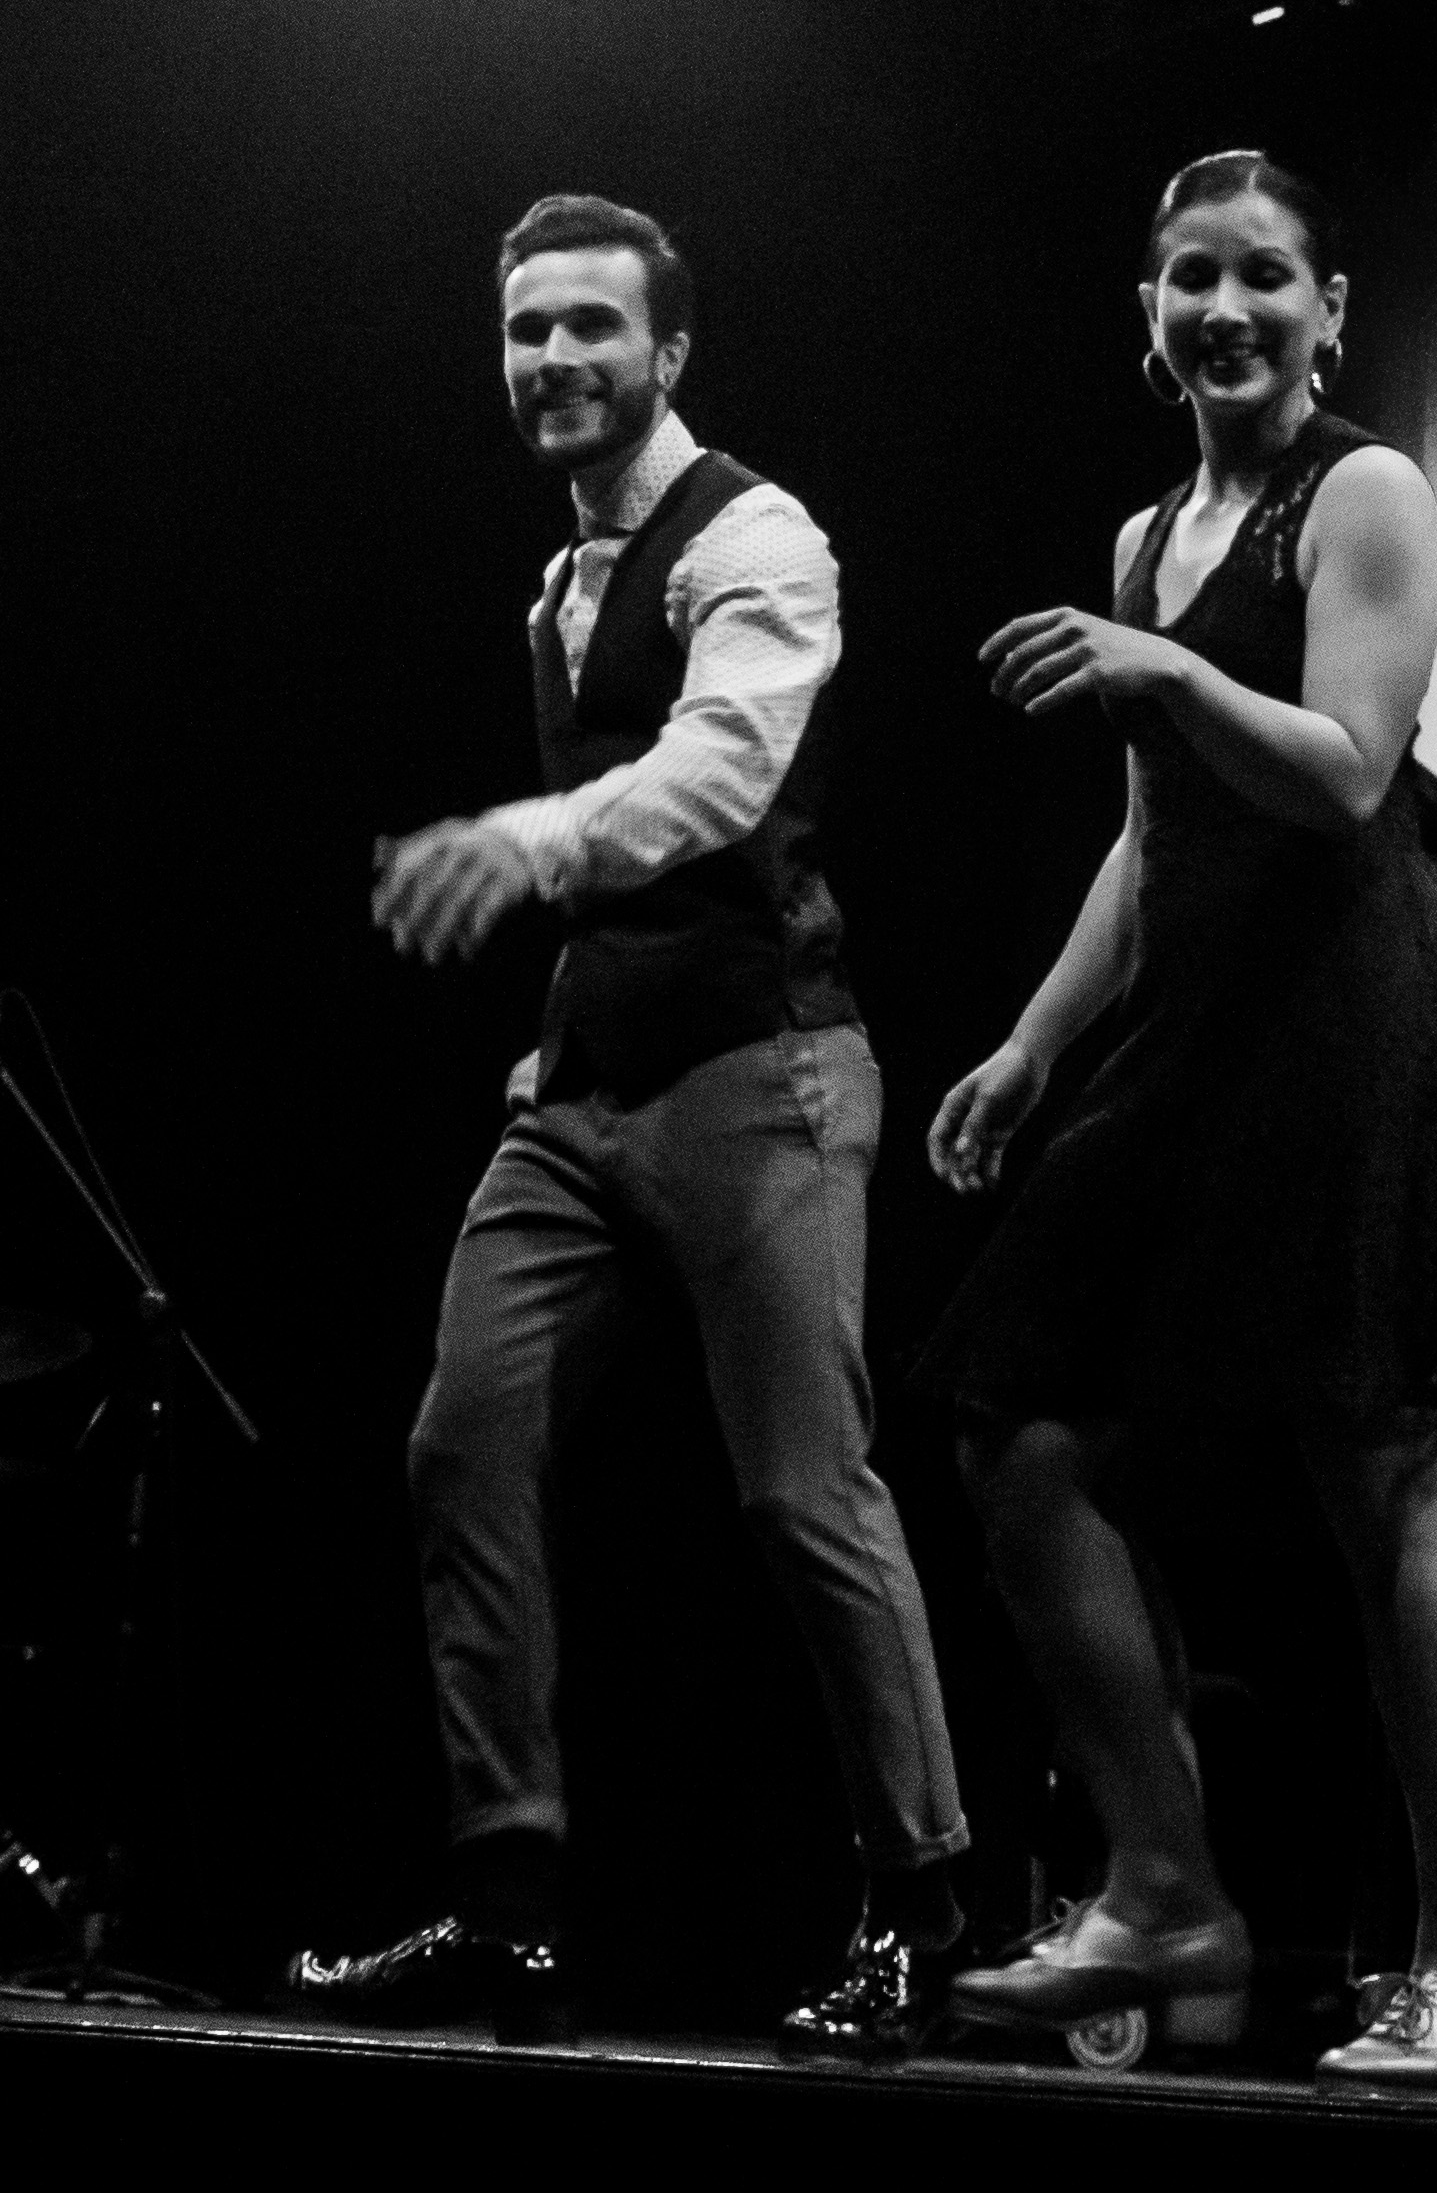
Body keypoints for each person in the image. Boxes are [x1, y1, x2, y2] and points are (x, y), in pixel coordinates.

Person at [290, 193, 970, 2056]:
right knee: (464, 1443)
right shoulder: (560, 582)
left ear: (668, 350)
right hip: (584, 1098)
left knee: (802, 1494)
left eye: (592, 326)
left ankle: (920, 1908)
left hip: (764, 1072)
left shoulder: (753, 536)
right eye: (528, 331)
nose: (554, 360)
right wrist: (555, 1041)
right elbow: (621, 863)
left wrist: (522, 845)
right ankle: (506, 1906)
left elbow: (722, 772)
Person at [918, 148, 1437, 2097]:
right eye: (1191, 276)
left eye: (1265, 276)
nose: (1226, 310)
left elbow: (1350, 775)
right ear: (1147, 311)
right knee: (1016, 1433)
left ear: (1328, 309)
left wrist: (1170, 667)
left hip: (1361, 1038)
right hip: (1196, 1052)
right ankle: (1165, 1887)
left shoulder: (1366, 495)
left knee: (1388, 1485)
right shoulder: (1144, 540)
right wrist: (1034, 1045)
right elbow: (1155, 842)